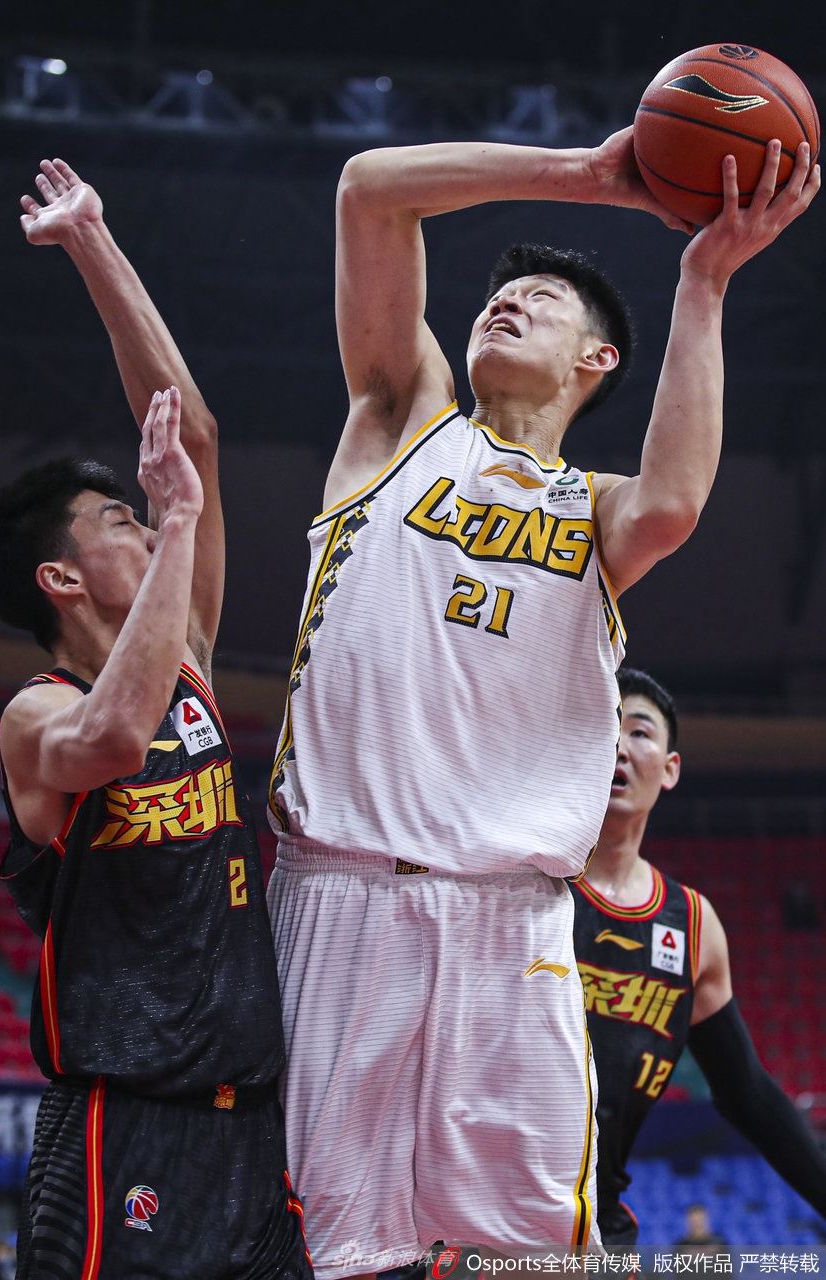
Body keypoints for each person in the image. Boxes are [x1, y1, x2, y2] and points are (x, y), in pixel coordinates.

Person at [265, 125, 819, 1276]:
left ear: (596, 360)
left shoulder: (599, 509)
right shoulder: (401, 423)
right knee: (323, 1248)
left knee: (531, 1257)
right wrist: (586, 176)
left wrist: (704, 280)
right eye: (497, 294)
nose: (505, 301)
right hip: (343, 890)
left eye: (542, 300)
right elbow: (369, 190)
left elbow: (674, 500)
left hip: (509, 920)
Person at [0, 161, 311, 1280]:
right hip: (123, 1122)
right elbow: (114, 743)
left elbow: (194, 434)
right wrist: (175, 529)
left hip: (253, 1124)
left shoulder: (188, 661)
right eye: (118, 519)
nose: (150, 516)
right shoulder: (38, 716)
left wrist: (91, 241)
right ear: (61, 580)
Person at [572, 668, 826, 1251]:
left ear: (670, 770)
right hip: (481, 1218)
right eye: (606, 724)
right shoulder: (525, 885)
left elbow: (747, 1094)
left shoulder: (690, 924)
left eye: (639, 731)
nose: (619, 745)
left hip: (599, 1231)